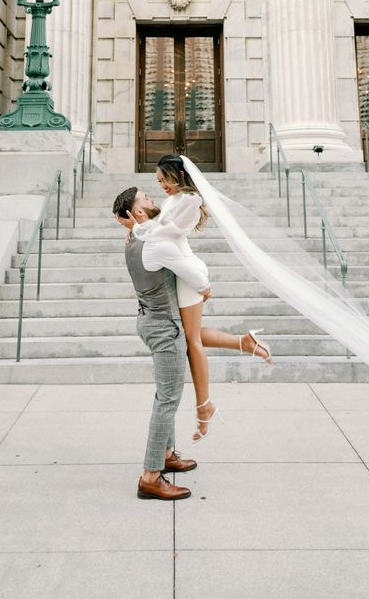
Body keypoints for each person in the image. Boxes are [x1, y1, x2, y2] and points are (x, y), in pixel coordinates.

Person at [117, 155, 272, 442]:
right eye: (157, 183)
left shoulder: (188, 200)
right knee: (191, 334)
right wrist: (135, 230)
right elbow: (156, 227)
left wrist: (203, 284)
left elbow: (165, 233)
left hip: (189, 278)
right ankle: (244, 342)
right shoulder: (174, 200)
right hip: (184, 275)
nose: (160, 186)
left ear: (177, 176)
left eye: (163, 179)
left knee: (192, 342)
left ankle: (205, 407)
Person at [111, 185, 203, 501]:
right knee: (167, 399)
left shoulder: (137, 236)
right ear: (137, 212)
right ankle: (151, 476)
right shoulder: (152, 241)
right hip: (164, 327)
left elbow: (163, 219)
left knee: (166, 394)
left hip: (152, 321)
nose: (154, 200)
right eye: (146, 200)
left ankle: (166, 455)